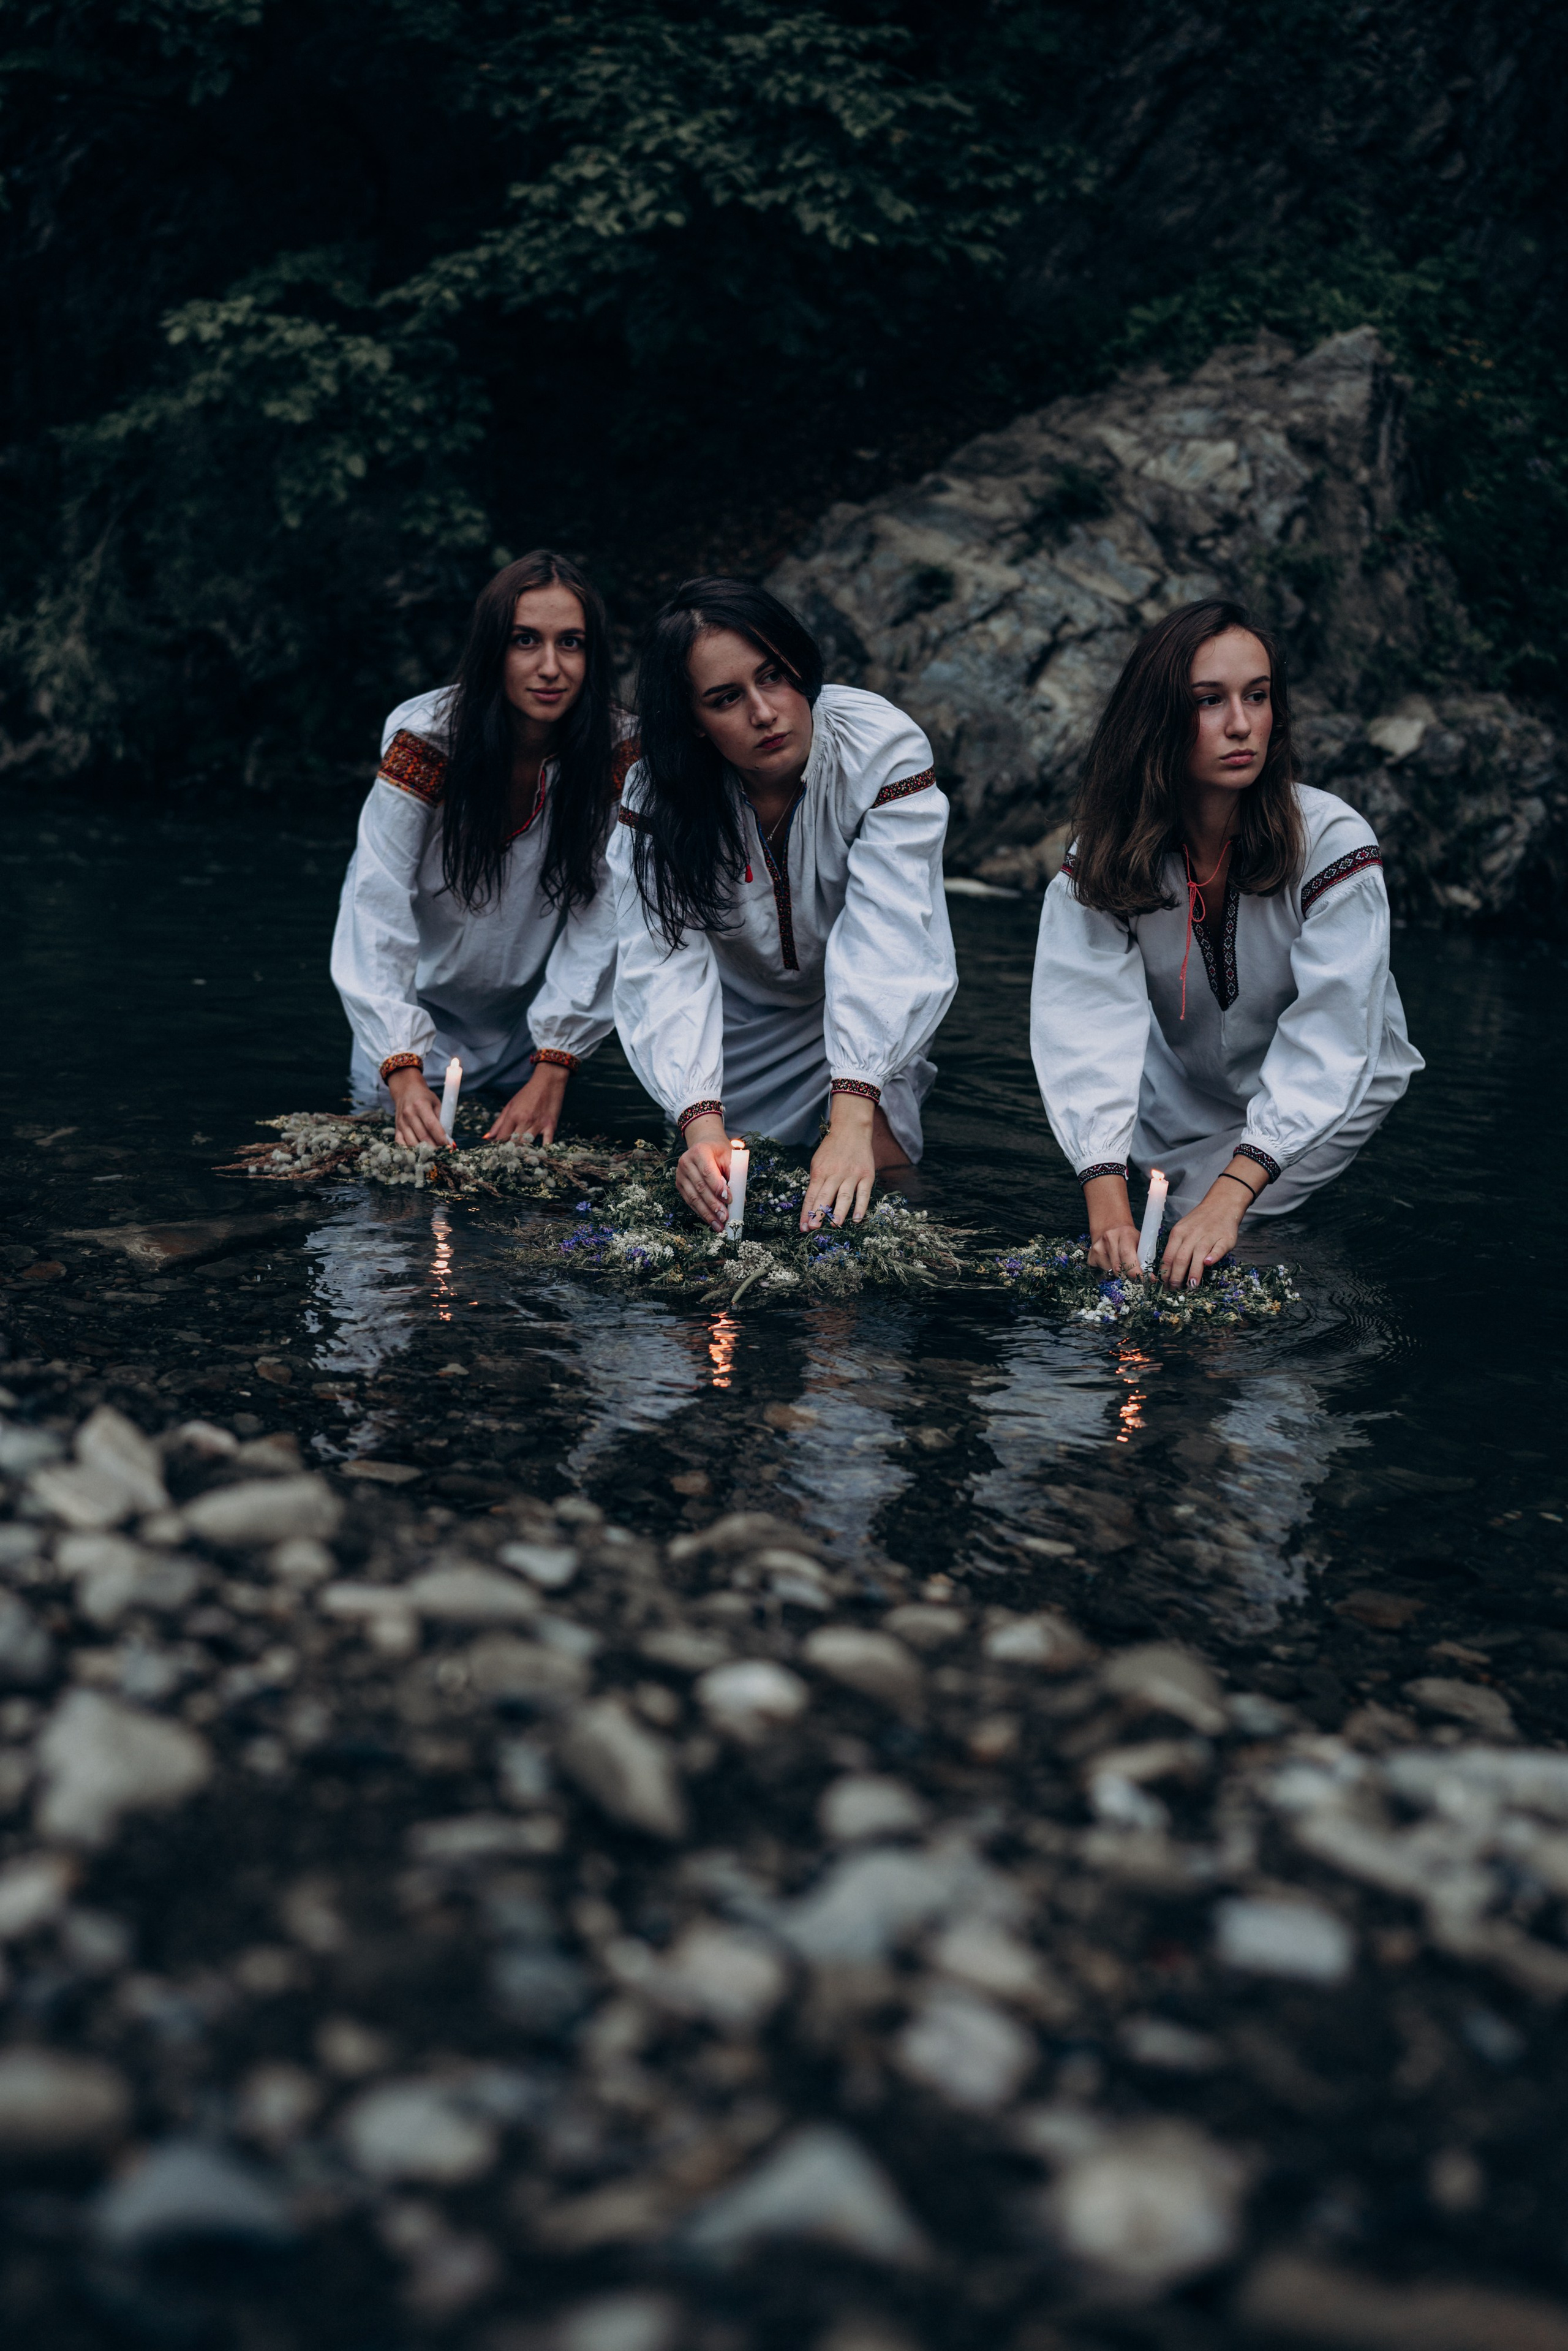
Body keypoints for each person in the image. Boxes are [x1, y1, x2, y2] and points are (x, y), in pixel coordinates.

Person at [1030, 597, 1422, 1289]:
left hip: (1333, 1085)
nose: (1241, 724)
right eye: (1209, 700)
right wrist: (1102, 1197)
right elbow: (1080, 1022)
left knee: (1217, 1247)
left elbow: (1330, 1040)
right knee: (1126, 1240)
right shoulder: (1104, 855)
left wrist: (1229, 1198)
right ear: (1156, 719)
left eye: (1258, 696)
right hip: (1182, 1083)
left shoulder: (1333, 841)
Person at [609, 579, 957, 1232]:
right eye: (725, 699)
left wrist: (853, 1111)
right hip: (731, 1027)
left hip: (860, 1007)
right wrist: (698, 1119)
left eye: (773, 676)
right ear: (694, 722)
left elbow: (888, 935)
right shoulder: (658, 793)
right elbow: (661, 963)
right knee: (716, 1197)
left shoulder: (877, 748)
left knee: (886, 1192)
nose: (764, 712)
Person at [331, 550, 635, 1146]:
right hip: (412, 1024)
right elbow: (375, 900)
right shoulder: (426, 738)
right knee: (383, 1219)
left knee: (518, 1224)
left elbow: (605, 914)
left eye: (570, 643)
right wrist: (400, 1063)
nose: (550, 667)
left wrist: (554, 1063)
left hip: (533, 1034)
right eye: (526, 640)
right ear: (493, 648)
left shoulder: (617, 750)